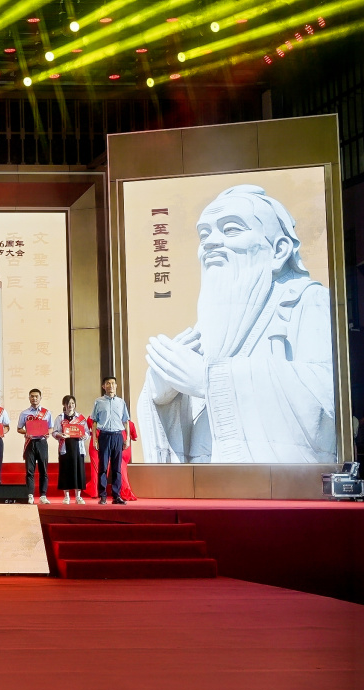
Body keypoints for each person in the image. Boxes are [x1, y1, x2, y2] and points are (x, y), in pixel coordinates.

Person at [138, 185, 334, 464]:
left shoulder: (308, 301)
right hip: (204, 475)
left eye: (230, 229)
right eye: (204, 234)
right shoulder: (213, 321)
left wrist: (209, 380)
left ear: (279, 250)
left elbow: (326, 398)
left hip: (271, 482)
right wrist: (165, 393)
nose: (210, 243)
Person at [93, 376, 131, 504]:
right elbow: (94, 421)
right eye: (108, 383)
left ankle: (116, 496)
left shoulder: (121, 402)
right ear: (104, 386)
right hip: (104, 436)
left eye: (113, 383)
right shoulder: (98, 402)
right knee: (103, 467)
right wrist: (95, 439)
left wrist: (127, 438)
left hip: (118, 436)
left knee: (117, 468)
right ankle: (103, 496)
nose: (111, 385)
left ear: (116, 386)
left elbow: (126, 421)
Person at [17, 388, 52, 505]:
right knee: (29, 471)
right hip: (30, 443)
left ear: (40, 398)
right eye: (32, 396)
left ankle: (43, 495)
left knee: (44, 470)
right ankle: (30, 495)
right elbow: (19, 429)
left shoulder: (47, 413)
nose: (34, 398)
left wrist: (47, 432)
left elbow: (51, 427)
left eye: (36, 396)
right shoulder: (24, 413)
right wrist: (26, 432)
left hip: (42, 443)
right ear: (29, 398)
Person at [53, 395, 88, 505]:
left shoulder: (80, 418)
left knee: (79, 471)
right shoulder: (60, 418)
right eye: (68, 403)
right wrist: (60, 435)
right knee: (65, 471)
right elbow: (54, 432)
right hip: (65, 447)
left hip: (78, 447)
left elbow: (87, 432)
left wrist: (84, 436)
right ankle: (66, 497)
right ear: (64, 405)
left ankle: (78, 497)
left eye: (72, 403)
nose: (70, 405)